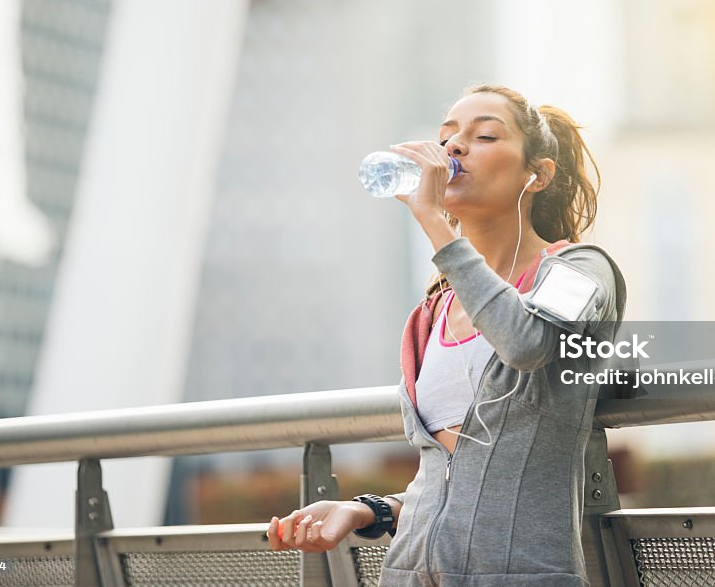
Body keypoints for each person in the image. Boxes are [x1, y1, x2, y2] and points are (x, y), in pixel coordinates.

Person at [267, 84, 627, 585]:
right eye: (447, 136)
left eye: (484, 136)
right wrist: (367, 511)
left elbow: (526, 343)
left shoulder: (580, 271)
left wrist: (436, 223)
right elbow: (451, 473)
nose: (454, 148)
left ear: (537, 175)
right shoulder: (434, 310)